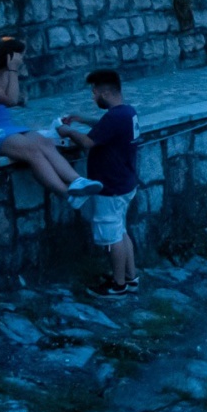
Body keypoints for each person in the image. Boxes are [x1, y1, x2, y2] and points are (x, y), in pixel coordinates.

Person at [0, 38, 102, 202]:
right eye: (20, 56)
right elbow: (11, 100)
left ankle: (77, 180)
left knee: (45, 142)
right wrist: (13, 71)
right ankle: (66, 193)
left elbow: (8, 99)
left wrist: (14, 82)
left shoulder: (5, 75)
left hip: (6, 127)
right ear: (9, 57)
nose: (22, 60)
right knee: (32, 151)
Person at [55, 70, 140, 298]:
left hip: (110, 187)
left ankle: (118, 285)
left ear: (105, 92)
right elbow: (106, 126)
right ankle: (131, 278)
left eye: (94, 93)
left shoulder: (114, 118)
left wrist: (68, 131)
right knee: (121, 231)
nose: (93, 98)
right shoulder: (127, 112)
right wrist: (81, 119)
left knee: (111, 237)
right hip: (125, 183)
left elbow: (88, 142)